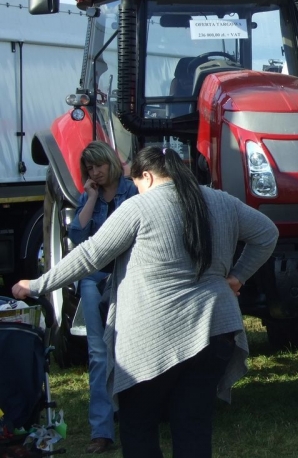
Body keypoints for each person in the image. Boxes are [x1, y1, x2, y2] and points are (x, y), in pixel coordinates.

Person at [13, 146, 279, 458]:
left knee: (138, 424)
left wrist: (35, 284)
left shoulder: (139, 207)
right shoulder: (221, 201)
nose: (136, 189)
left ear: (148, 176)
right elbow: (267, 232)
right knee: (193, 425)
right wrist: (237, 277)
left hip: (152, 338)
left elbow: (89, 255)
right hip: (215, 329)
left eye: (137, 183)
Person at [71, 141, 138, 454]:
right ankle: (101, 431)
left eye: (98, 166)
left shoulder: (133, 191)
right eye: (90, 168)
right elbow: (76, 235)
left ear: (111, 163)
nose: (95, 172)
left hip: (126, 278)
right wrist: (92, 198)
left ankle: (135, 421)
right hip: (95, 279)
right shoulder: (91, 195)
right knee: (98, 354)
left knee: (129, 349)